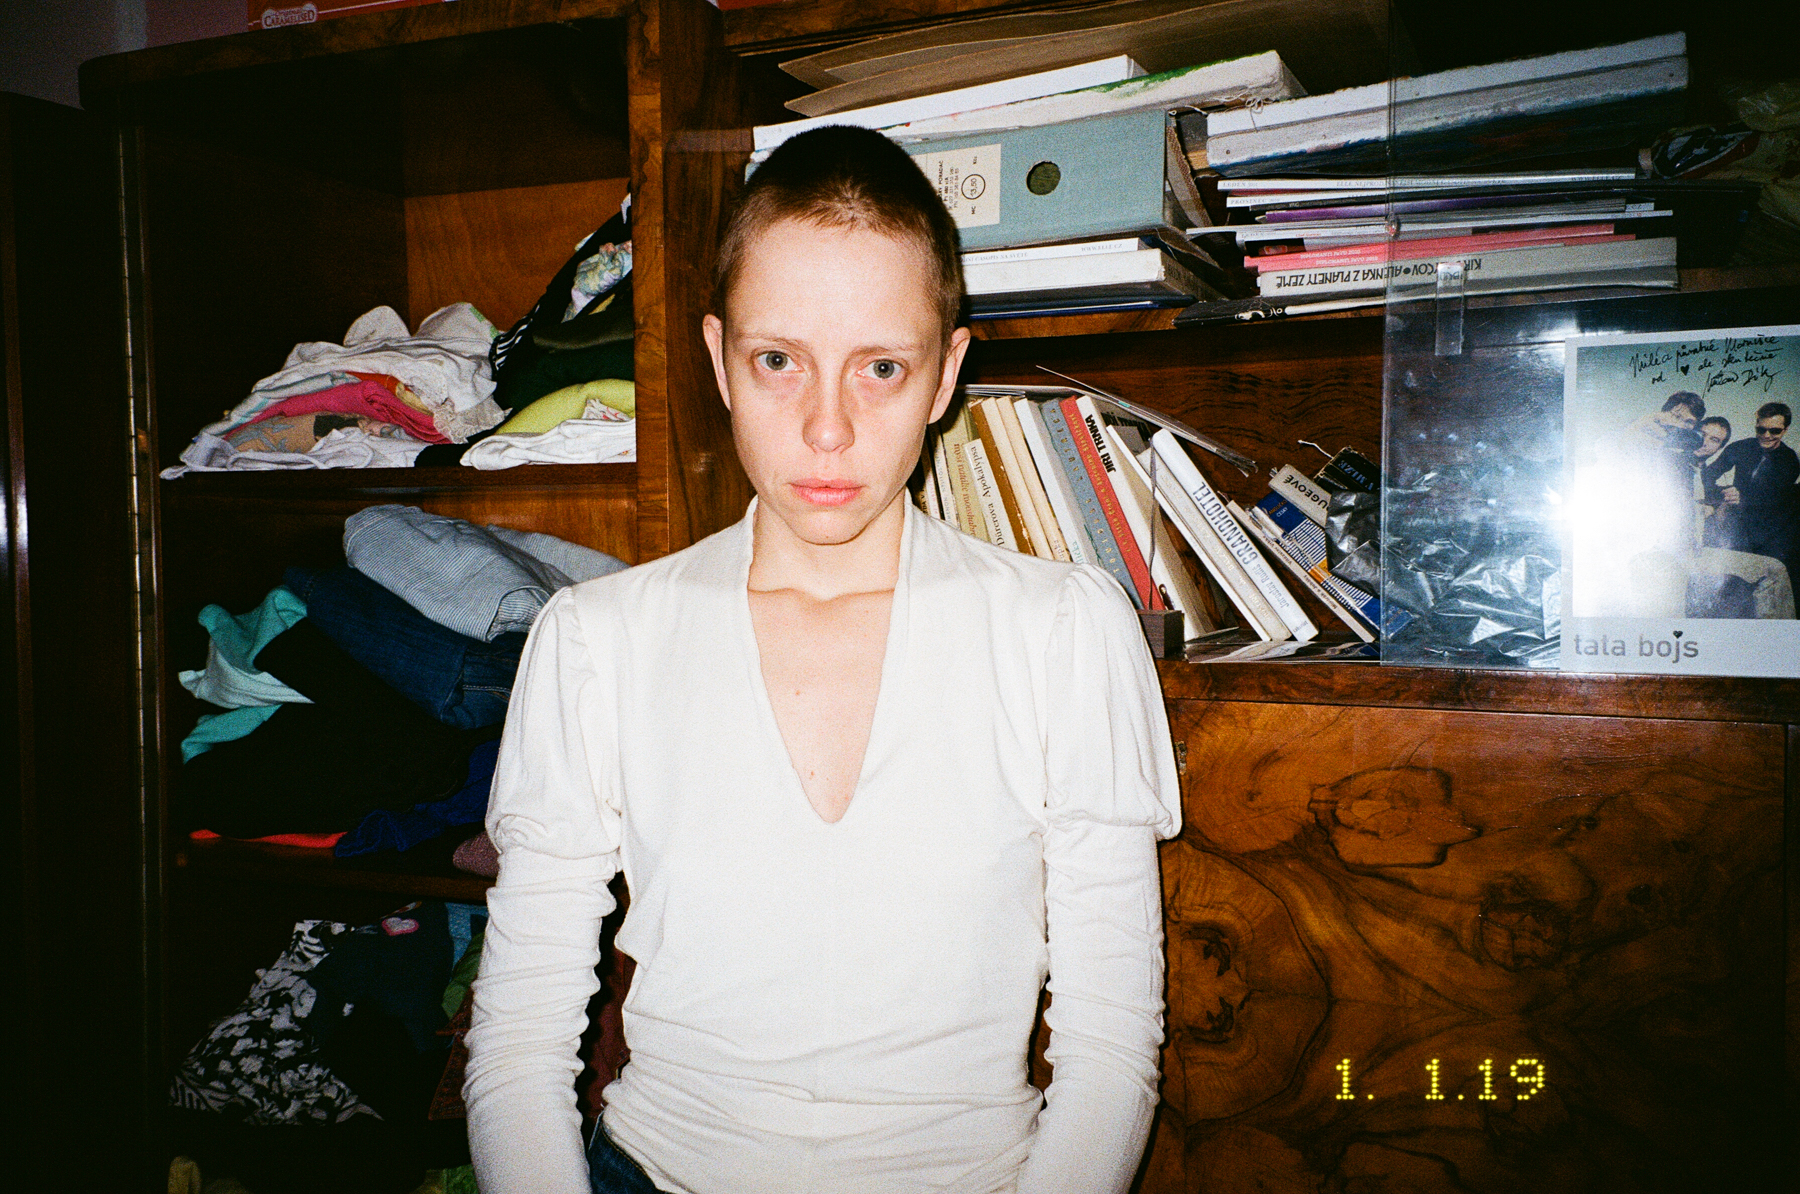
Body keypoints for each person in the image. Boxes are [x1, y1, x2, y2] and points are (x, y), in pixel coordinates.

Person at [462, 125, 1181, 1194]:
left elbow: (1113, 1046)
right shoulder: (595, 641)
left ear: (946, 375)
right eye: (778, 361)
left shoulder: (1067, 631)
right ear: (717, 361)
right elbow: (519, 1044)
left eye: (880, 367)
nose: (828, 429)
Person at [1702, 401, 1799, 569]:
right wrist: (1723, 496)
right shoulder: (1740, 447)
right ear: (1756, 424)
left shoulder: (1790, 460)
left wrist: (1740, 499)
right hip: (1733, 522)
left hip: (1765, 530)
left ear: (1785, 430)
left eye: (1774, 431)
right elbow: (1707, 476)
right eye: (1761, 429)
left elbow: (1775, 503)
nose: (1766, 435)